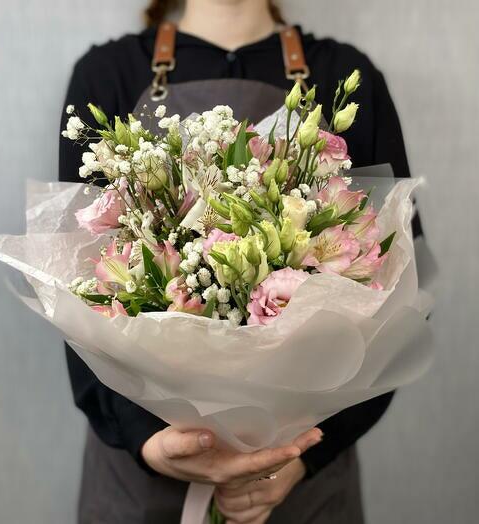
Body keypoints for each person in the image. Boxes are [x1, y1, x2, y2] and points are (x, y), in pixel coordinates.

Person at [59, 1, 421, 523]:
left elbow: (398, 297)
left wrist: (302, 459)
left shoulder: (342, 74)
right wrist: (147, 443)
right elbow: (74, 294)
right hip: (142, 485)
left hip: (303, 484)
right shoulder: (108, 74)